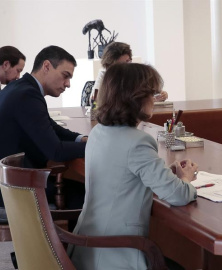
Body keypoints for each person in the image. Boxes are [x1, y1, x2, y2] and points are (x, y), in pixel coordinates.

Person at [69, 63, 198, 270]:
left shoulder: (98, 132)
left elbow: (122, 174)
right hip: (117, 252)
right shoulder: (138, 141)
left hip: (87, 247)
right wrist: (186, 179)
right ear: (135, 98)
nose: (154, 99)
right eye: (151, 93)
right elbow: (179, 195)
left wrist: (165, 172)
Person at [0, 45, 87, 208]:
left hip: (10, 180)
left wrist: (80, 138)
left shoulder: (21, 88)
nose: (67, 84)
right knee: (86, 195)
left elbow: (51, 126)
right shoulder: (27, 95)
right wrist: (96, 146)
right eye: (65, 75)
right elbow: (56, 151)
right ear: (46, 66)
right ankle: (68, 235)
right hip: (13, 189)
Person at [89, 41, 168, 104]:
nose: (126, 67)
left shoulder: (134, 73)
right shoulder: (104, 75)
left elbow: (152, 92)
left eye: (128, 62)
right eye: (121, 64)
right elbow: (95, 101)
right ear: (110, 65)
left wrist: (160, 96)